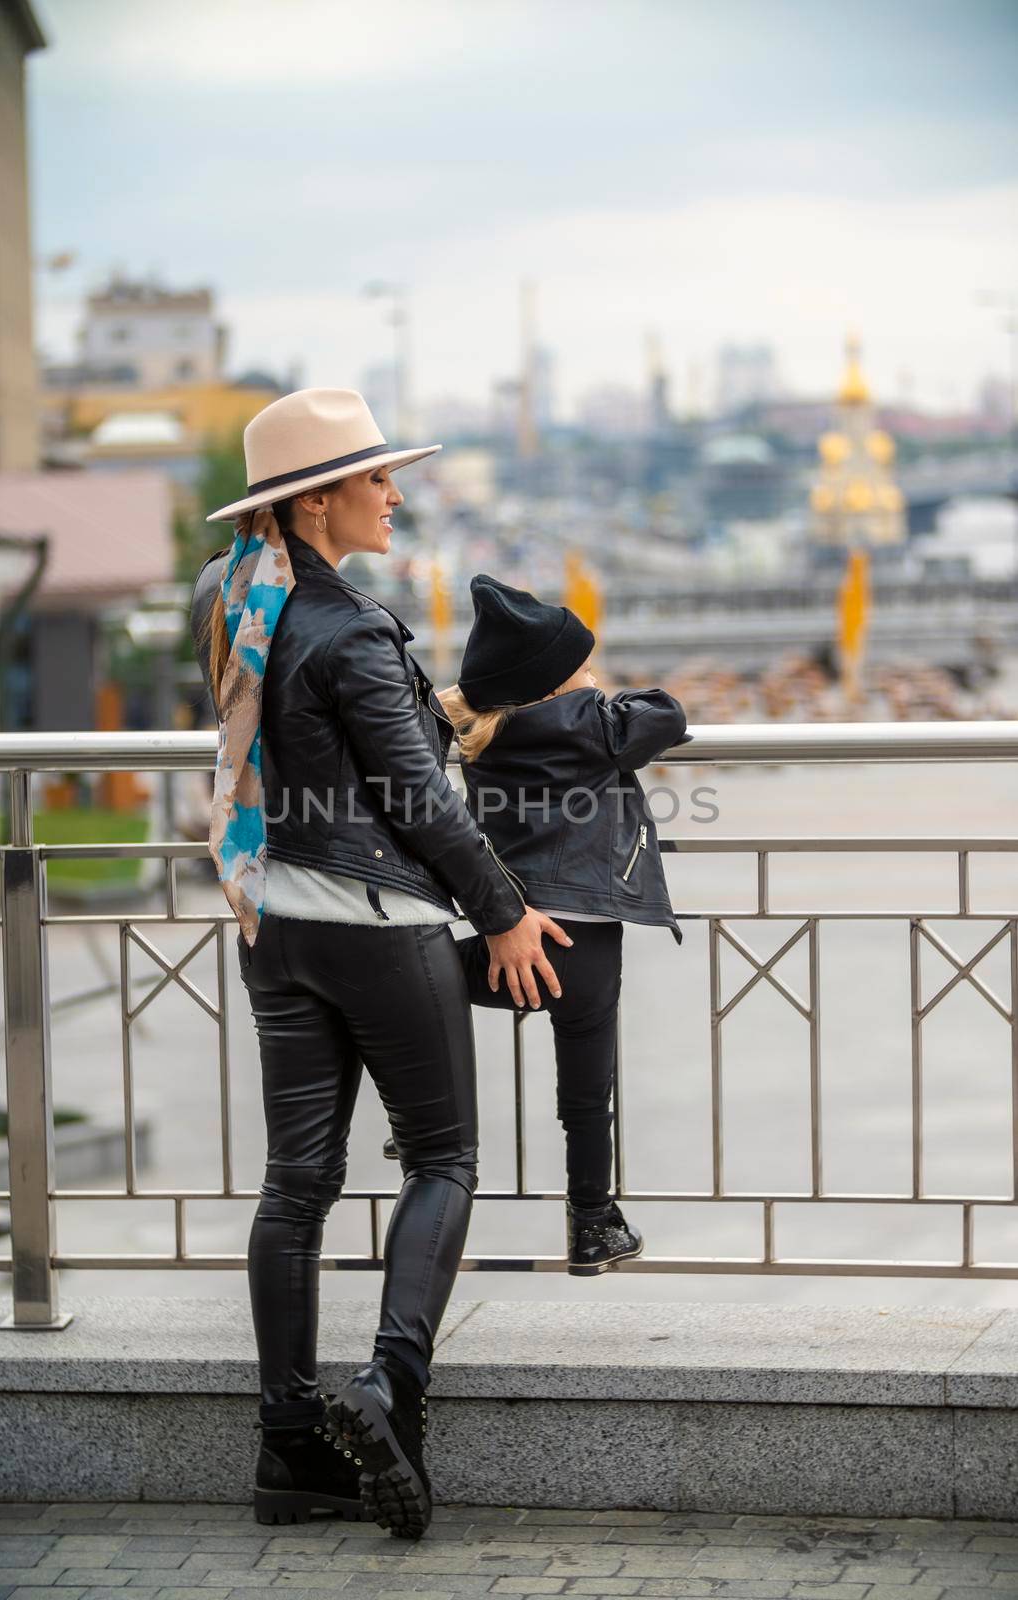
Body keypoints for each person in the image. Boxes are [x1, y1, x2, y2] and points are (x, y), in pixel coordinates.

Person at [189, 389, 572, 1540]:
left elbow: (310, 745)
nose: (396, 494)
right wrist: (503, 912)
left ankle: (287, 1448)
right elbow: (413, 800)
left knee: (295, 1180)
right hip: (374, 921)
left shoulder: (229, 595)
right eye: (376, 478)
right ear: (318, 498)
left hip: (271, 918)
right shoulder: (352, 625)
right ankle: (389, 1388)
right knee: (443, 1156)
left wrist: (433, 705)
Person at [384, 574, 688, 1274]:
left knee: (402, 982)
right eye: (578, 662)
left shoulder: (481, 737)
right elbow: (664, 714)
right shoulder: (589, 723)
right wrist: (596, 693)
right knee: (586, 1095)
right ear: (556, 680)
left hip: (508, 936)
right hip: (580, 949)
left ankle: (414, 1121)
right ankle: (591, 1225)